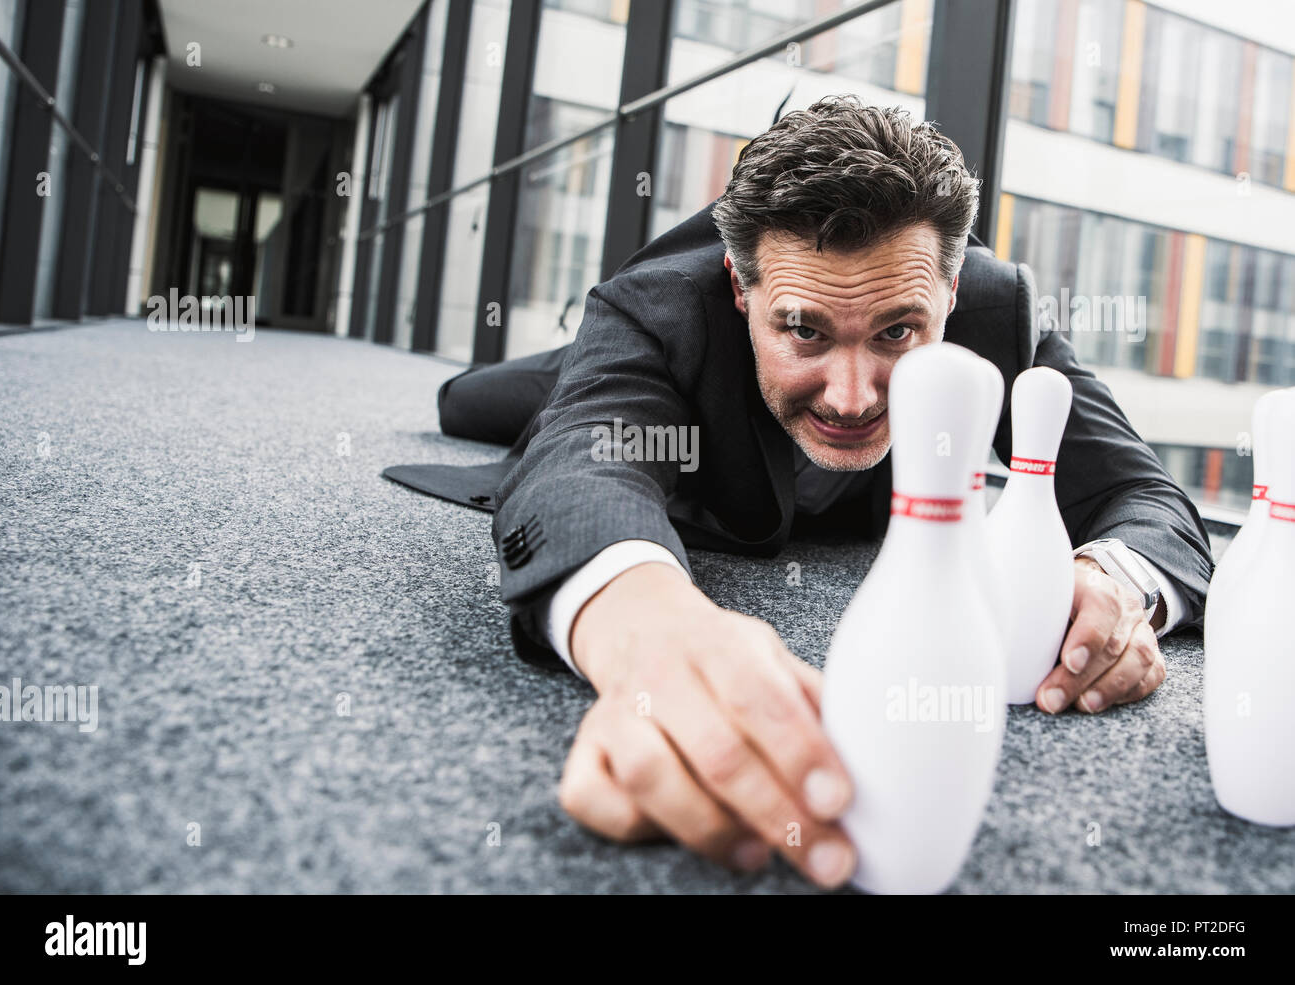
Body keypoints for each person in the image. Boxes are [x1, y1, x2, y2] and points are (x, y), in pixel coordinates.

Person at [386, 96, 1214, 889]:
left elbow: (1146, 495)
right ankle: (557, 367)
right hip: (662, 390)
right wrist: (644, 625)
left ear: (950, 296)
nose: (853, 398)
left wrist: (1113, 580)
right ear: (743, 292)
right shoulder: (660, 311)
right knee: (475, 402)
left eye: (897, 331)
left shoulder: (999, 316)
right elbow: (583, 460)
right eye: (804, 329)